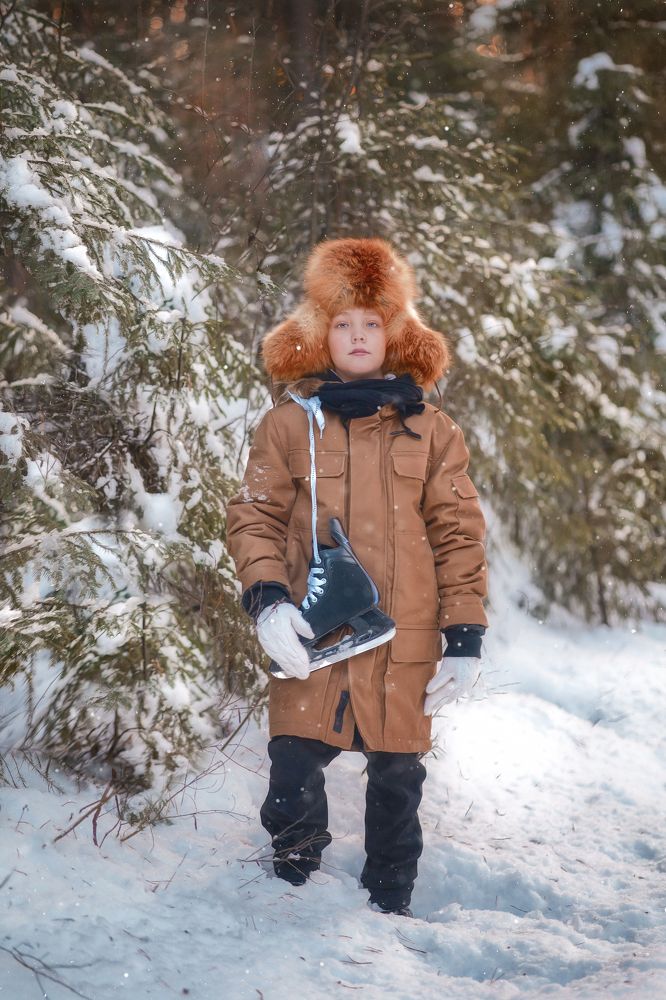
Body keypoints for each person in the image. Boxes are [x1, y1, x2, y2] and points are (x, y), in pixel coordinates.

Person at [226, 237, 489, 918]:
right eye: (343, 323)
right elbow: (254, 517)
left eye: (372, 322)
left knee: (399, 781)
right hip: (314, 634)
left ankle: (390, 904)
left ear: (397, 332)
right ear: (319, 334)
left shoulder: (433, 432)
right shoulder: (287, 426)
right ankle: (288, 882)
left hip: (405, 642)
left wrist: (465, 635)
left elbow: (460, 536)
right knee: (291, 766)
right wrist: (267, 600)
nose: (358, 335)